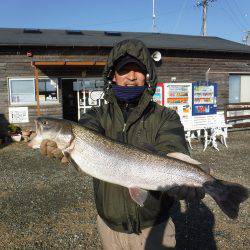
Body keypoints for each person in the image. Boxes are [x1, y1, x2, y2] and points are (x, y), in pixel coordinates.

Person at [40, 39, 207, 249]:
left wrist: (192, 175)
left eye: (137, 70)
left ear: (147, 75)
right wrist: (63, 150)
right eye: (123, 70)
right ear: (113, 75)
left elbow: (173, 149)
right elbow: (83, 135)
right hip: (110, 228)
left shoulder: (166, 117)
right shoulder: (96, 116)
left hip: (155, 227)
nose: (131, 76)